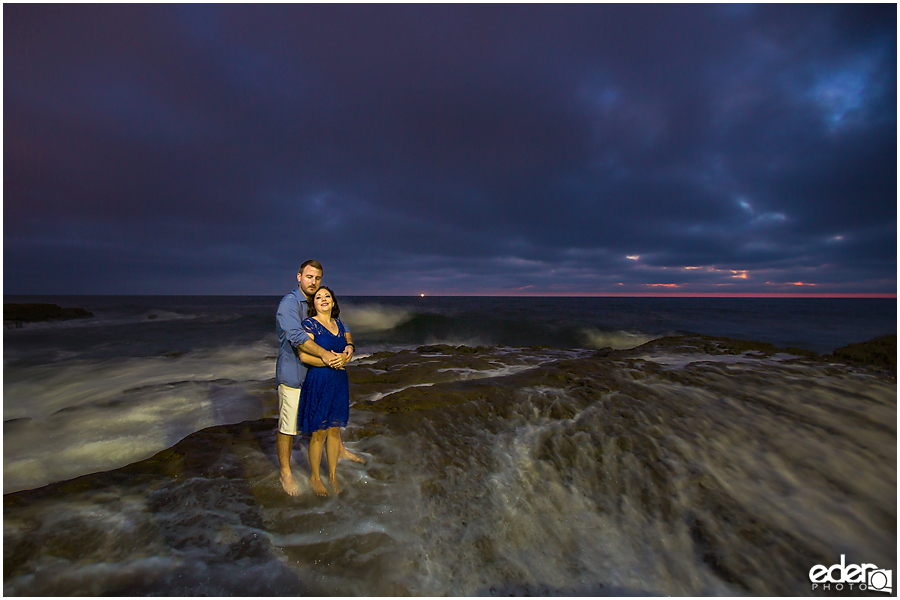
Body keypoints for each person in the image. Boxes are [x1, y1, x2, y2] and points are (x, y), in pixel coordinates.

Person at [275, 260, 362, 496]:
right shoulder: (289, 304)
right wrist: (327, 356)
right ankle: (286, 471)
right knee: (289, 426)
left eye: (318, 278)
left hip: (317, 377)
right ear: (299, 277)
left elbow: (342, 328)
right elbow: (296, 337)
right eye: (309, 277)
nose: (313, 282)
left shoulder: (317, 306)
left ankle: (339, 451)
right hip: (294, 373)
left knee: (328, 422)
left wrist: (350, 346)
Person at [297, 286, 354, 496]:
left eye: (327, 296)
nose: (323, 299)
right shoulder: (309, 324)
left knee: (334, 430)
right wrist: (330, 362)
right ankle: (315, 478)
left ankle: (332, 475)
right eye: (318, 297)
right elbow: (304, 357)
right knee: (319, 433)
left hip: (339, 381)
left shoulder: (339, 324)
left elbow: (348, 345)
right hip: (319, 380)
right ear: (314, 304)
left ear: (333, 302)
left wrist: (347, 353)